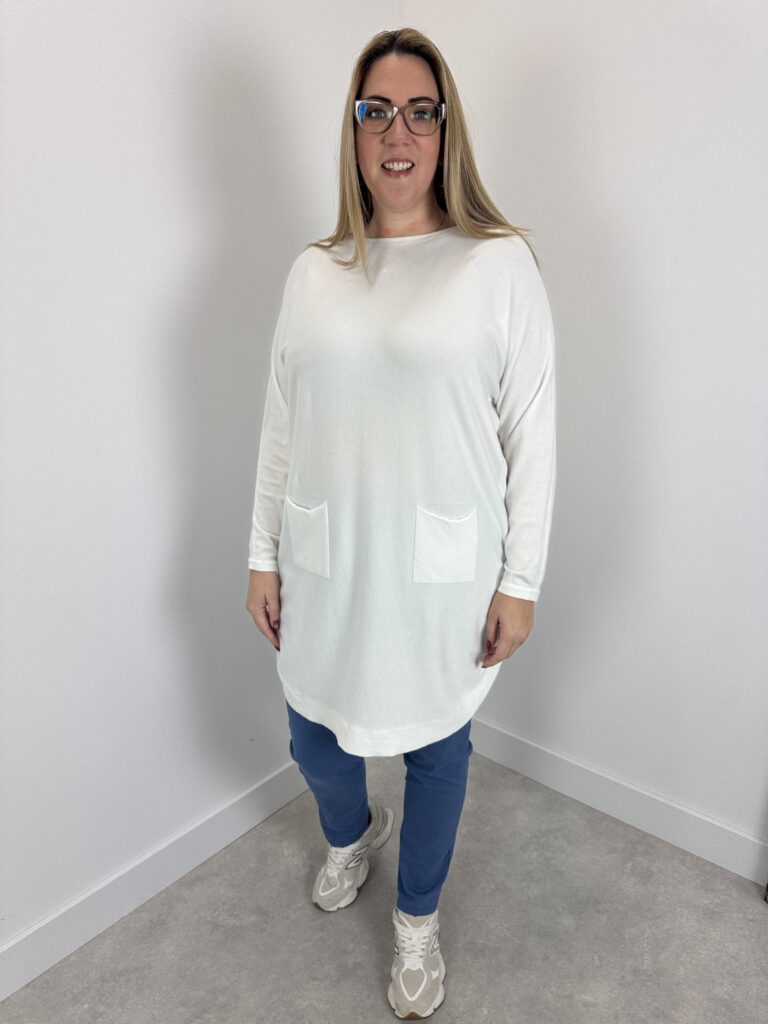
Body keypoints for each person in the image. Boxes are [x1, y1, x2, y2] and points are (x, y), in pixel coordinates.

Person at [245, 26, 557, 1020]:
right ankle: (352, 834)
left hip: (441, 574)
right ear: (352, 128)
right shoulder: (314, 271)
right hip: (326, 562)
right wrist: (260, 554)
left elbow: (533, 436)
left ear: (446, 131)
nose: (398, 132)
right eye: (375, 109)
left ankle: (417, 919)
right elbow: (281, 424)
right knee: (313, 734)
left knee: (436, 749)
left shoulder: (498, 265)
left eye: (421, 112)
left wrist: (520, 579)